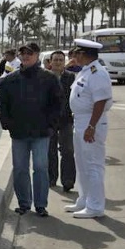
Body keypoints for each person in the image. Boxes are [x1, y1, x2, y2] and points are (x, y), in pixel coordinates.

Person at [0, 43, 62, 216]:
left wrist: (51, 126)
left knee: (40, 168)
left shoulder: (49, 78)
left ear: (37, 55)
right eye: (23, 53)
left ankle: (41, 205)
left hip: (41, 132)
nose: (26, 56)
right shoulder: (11, 79)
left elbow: (57, 104)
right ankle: (24, 203)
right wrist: (7, 124)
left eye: (30, 54)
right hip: (19, 132)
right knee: (19, 168)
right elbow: (2, 103)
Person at [65, 38, 113, 219]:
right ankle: (84, 199)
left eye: (76, 53)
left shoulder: (97, 73)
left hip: (92, 121)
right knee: (82, 163)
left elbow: (100, 101)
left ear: (84, 54)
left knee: (93, 164)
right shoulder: (86, 71)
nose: (74, 56)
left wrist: (92, 126)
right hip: (81, 120)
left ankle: (95, 206)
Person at [47, 50, 76, 192]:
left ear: (64, 62)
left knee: (68, 151)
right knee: (50, 151)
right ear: (50, 62)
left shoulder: (71, 77)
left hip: (66, 120)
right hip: (49, 121)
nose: (58, 62)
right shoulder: (45, 78)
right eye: (55, 60)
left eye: (60, 60)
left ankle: (68, 180)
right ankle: (51, 178)